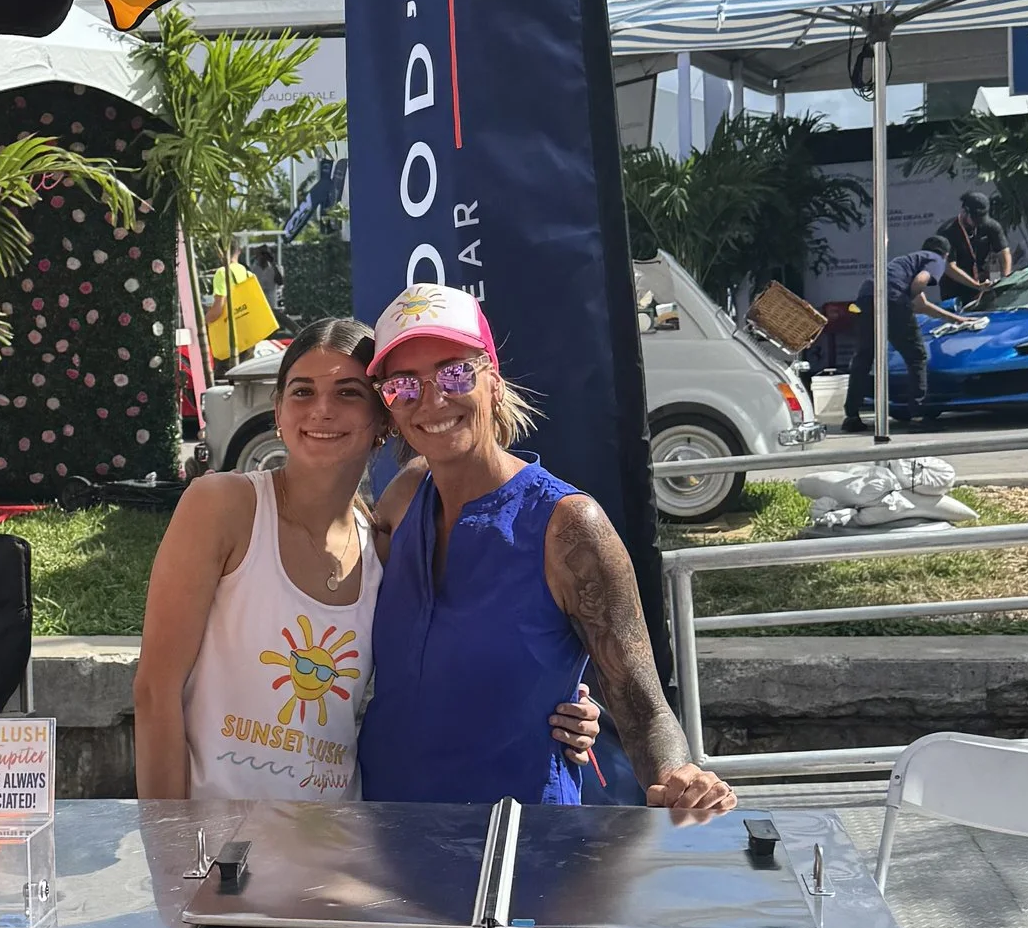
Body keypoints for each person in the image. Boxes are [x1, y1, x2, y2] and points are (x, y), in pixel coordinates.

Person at [136, 316, 599, 804]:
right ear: (278, 412)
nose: (322, 410)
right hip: (217, 840)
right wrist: (168, 837)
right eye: (302, 392)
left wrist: (560, 703)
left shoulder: (382, 540)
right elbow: (154, 692)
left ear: (383, 421)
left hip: (340, 840)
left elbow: (455, 654)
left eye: (348, 393)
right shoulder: (222, 506)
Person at [356, 288, 734, 819]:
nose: (432, 399)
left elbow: (642, 703)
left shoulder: (569, 525)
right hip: (386, 828)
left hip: (521, 840)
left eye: (455, 373)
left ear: (493, 381)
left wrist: (679, 776)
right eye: (404, 385)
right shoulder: (403, 497)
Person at [841, 247, 968, 431]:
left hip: (866, 297)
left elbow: (922, 305)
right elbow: (921, 281)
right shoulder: (935, 259)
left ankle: (851, 416)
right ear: (946, 254)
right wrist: (904, 301)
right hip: (892, 298)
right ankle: (918, 416)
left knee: (863, 358)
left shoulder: (903, 264)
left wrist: (957, 319)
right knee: (916, 357)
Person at [936, 193, 1009, 307]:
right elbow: (949, 267)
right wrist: (976, 285)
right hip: (955, 289)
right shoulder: (947, 232)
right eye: (975, 218)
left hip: (983, 285)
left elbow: (1004, 253)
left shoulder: (991, 226)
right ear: (964, 211)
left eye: (982, 218)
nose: (979, 222)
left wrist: (1005, 280)